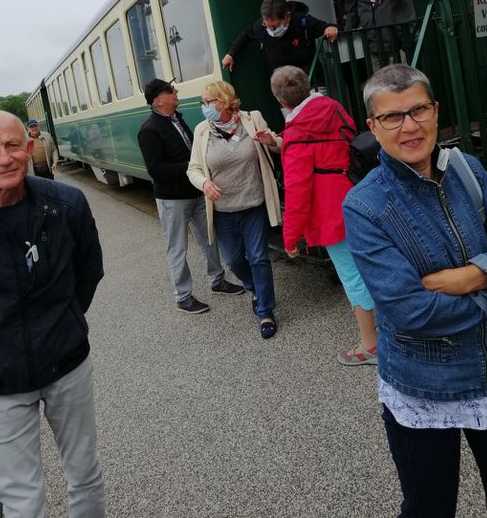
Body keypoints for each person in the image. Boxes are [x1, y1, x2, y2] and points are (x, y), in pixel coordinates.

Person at [343, 65, 487, 517]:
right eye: (393, 117)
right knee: (429, 508)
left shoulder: (467, 169)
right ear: (373, 127)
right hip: (423, 388)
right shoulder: (366, 205)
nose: (409, 126)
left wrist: (469, 276)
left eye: (418, 110)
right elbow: (410, 310)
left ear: (435, 111)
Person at [0, 110, 105, 518]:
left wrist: (64, 323)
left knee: (85, 474)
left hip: (68, 365)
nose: (4, 158)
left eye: (12, 145)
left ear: (28, 149)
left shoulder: (67, 204)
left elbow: (89, 271)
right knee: (22, 500)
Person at [268, 65, 377, 365]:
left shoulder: (296, 135)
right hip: (359, 194)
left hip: (331, 211)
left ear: (280, 100)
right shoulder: (335, 109)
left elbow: (298, 191)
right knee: (373, 265)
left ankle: (371, 345)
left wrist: (290, 237)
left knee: (352, 275)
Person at [137, 78, 244, 314]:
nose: (175, 91)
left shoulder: (178, 119)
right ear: (158, 100)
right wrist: (192, 167)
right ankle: (183, 296)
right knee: (177, 247)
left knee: (209, 238)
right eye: (169, 90)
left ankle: (217, 281)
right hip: (172, 199)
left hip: (195, 193)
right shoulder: (149, 130)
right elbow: (156, 170)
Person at [187, 81, 281, 338]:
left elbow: (280, 144)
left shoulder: (252, 119)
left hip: (253, 204)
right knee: (235, 260)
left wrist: (271, 140)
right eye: (203, 103)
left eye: (209, 102)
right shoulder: (202, 131)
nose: (205, 107)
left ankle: (265, 311)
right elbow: (193, 169)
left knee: (259, 257)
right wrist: (205, 183)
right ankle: (254, 288)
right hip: (223, 210)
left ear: (225, 101)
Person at [221, 0, 338, 74]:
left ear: (287, 16)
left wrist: (331, 28)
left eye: (274, 26)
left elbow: (325, 26)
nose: (271, 29)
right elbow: (246, 34)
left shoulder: (302, 21)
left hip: (311, 81)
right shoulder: (261, 27)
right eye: (267, 25)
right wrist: (231, 54)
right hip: (283, 86)